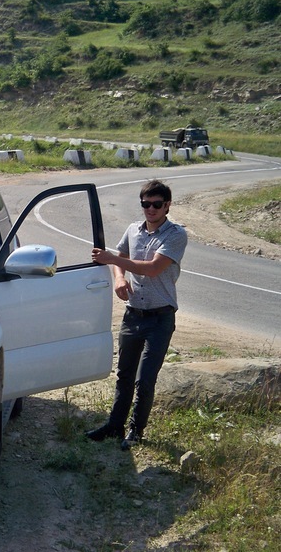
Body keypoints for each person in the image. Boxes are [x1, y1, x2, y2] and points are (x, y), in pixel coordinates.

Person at [86, 179, 188, 451]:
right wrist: (119, 278)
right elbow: (122, 255)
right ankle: (114, 425)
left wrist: (112, 260)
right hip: (133, 314)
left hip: (160, 318)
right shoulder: (133, 230)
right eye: (146, 204)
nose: (151, 209)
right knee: (124, 374)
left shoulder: (176, 234)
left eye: (157, 204)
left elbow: (153, 268)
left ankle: (136, 430)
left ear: (167, 205)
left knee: (145, 379)